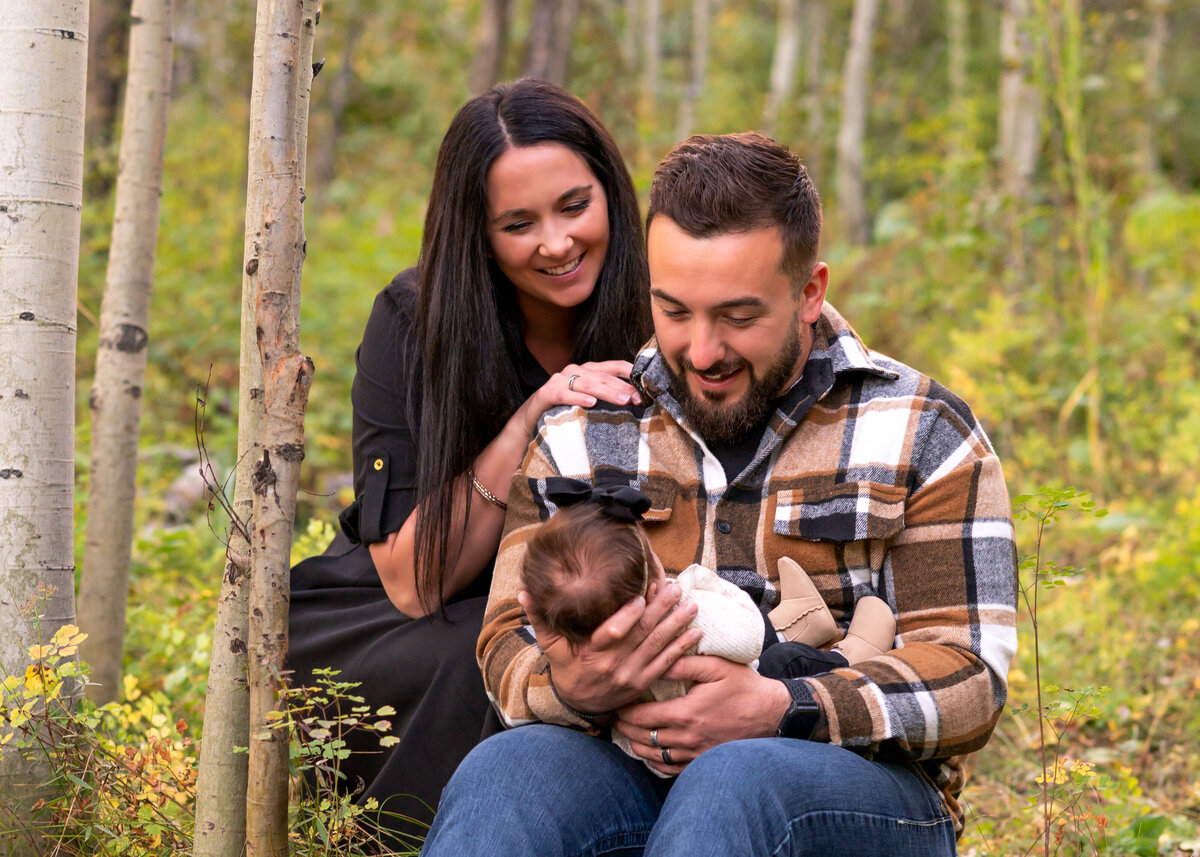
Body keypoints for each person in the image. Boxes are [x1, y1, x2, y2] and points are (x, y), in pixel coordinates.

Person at [422, 132, 1018, 856]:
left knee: (734, 784)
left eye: (737, 316)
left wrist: (783, 705)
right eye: (674, 311)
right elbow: (506, 639)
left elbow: (968, 677)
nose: (702, 351)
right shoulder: (586, 428)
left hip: (860, 794)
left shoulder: (923, 431)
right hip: (627, 765)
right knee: (507, 773)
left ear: (809, 292)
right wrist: (575, 684)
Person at [286, 78, 652, 847]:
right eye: (518, 223)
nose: (555, 243)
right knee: (485, 658)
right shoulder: (415, 321)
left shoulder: (663, 302)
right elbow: (413, 579)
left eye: (574, 206)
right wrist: (531, 416)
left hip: (607, 581)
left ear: (611, 192)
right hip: (417, 603)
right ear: (478, 233)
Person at [519, 479, 895, 777]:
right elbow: (746, 637)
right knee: (782, 662)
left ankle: (799, 620)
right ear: (651, 582)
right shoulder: (682, 614)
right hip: (726, 734)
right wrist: (696, 585)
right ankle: (849, 654)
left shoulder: (580, 644)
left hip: (644, 756)